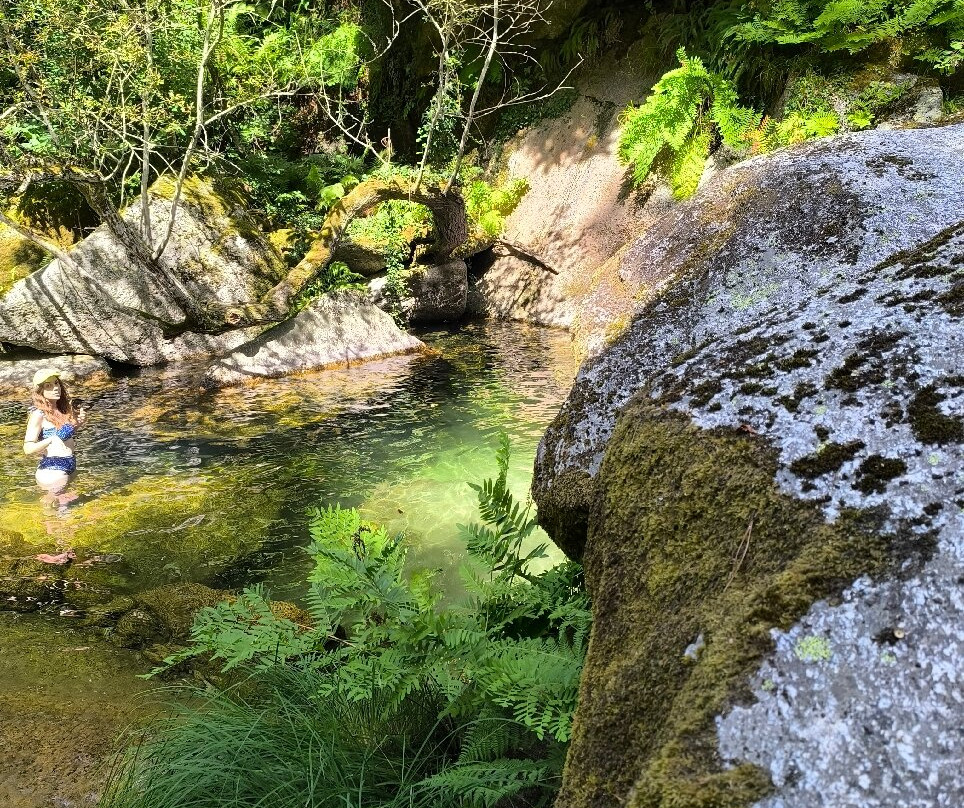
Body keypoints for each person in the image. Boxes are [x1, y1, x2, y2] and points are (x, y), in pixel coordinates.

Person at [22, 368, 88, 499]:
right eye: (49, 386)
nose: (55, 388)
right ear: (40, 391)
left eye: (56, 383)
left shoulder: (62, 410)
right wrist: (51, 439)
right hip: (52, 469)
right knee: (54, 512)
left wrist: (78, 423)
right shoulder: (38, 414)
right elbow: (27, 448)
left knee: (64, 510)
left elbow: (63, 437)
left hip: (69, 466)